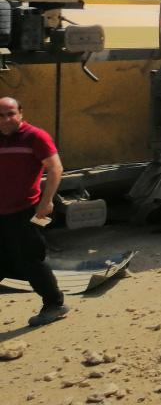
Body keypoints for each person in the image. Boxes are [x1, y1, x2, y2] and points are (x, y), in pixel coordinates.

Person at [0, 97, 69, 326]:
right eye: (1, 116)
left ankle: (54, 303)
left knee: (31, 259)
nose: (6, 119)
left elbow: (55, 167)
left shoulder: (35, 136)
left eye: (11, 113)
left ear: (21, 113)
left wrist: (46, 202)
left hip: (25, 210)